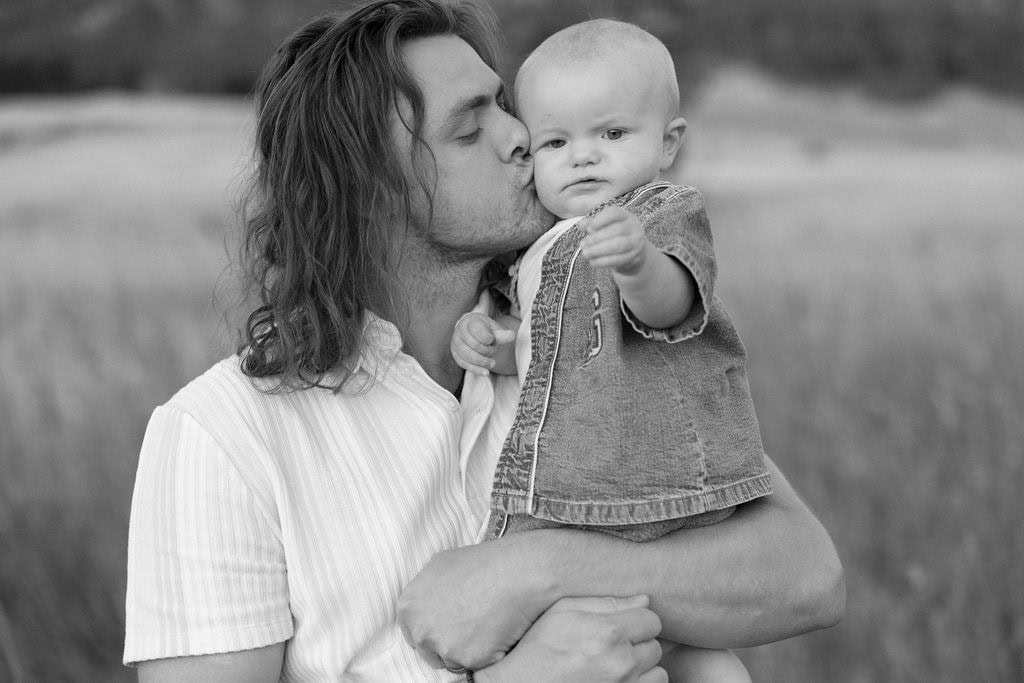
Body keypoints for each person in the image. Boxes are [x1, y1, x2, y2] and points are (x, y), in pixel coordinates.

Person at [123, 1, 845, 681]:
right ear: (367, 190)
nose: (521, 136)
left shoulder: (579, 329)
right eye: (470, 130)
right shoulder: (221, 437)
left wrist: (544, 568)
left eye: (504, 106)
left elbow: (808, 574)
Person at [448, 18, 769, 681]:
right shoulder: (534, 248)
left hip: (644, 485)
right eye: (556, 142)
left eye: (613, 134)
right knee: (645, 646)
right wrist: (496, 348)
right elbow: (547, 357)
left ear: (668, 143)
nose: (584, 157)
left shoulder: (657, 214)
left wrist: (639, 265)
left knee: (664, 638)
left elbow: (673, 308)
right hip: (577, 494)